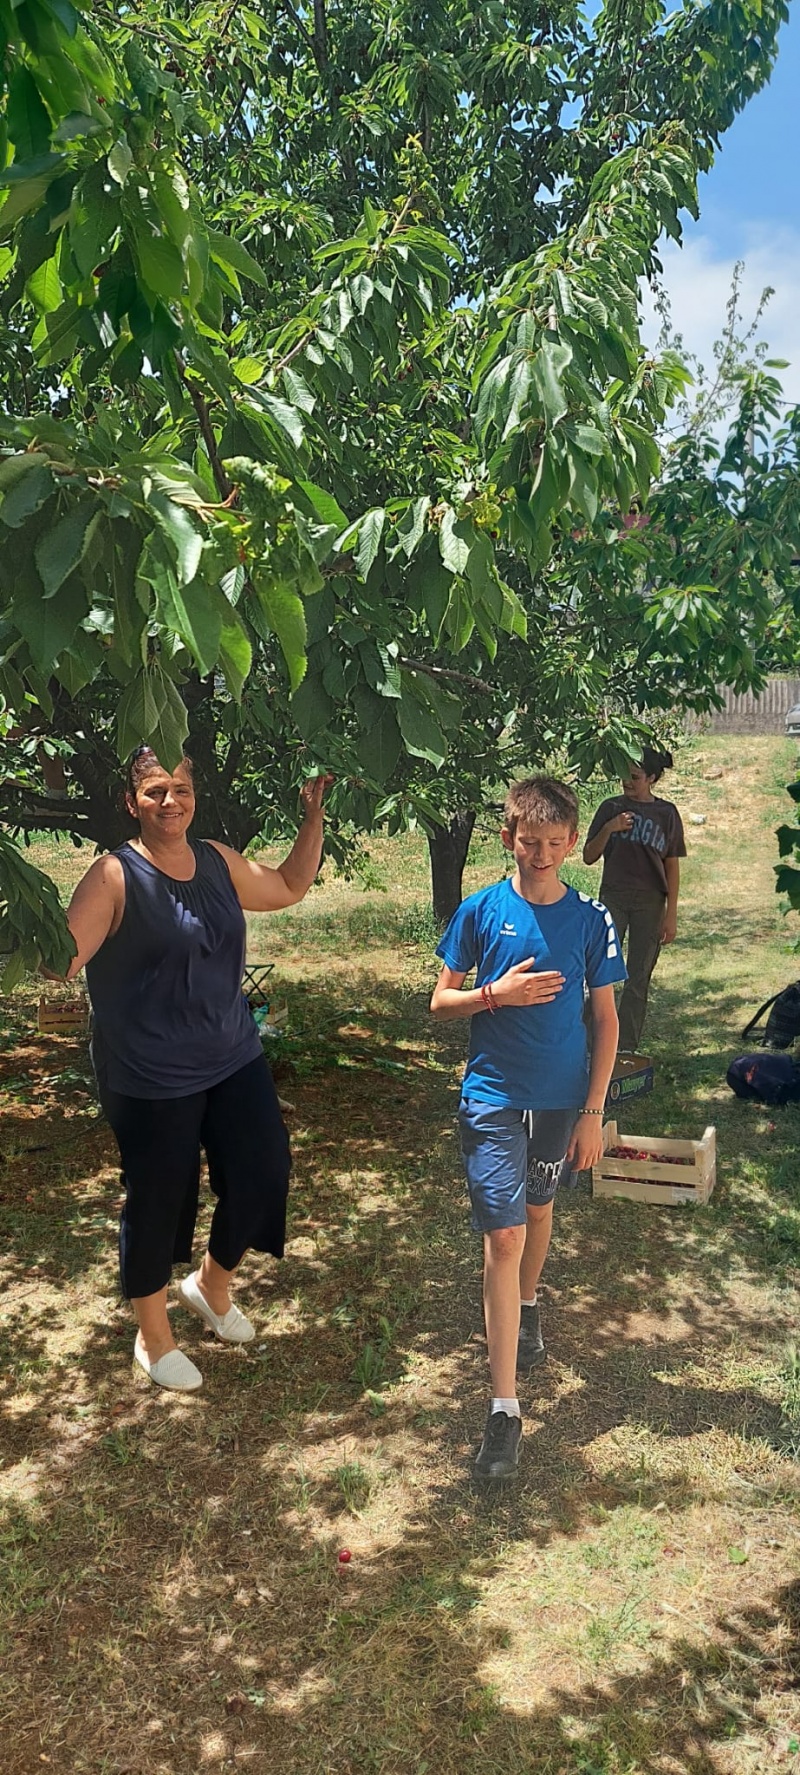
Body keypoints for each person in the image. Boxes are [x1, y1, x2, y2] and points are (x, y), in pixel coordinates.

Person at [57, 747, 331, 1393]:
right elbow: (60, 961)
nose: (169, 801)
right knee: (159, 1198)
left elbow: (288, 886)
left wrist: (313, 817)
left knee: (265, 1170)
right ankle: (153, 1337)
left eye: (180, 788)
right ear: (131, 801)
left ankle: (211, 1285)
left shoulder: (216, 859)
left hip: (232, 1053)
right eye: (155, 790)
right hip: (149, 1074)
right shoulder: (113, 875)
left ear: (194, 795)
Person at [430, 777, 625, 1480]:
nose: (540, 854)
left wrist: (593, 1113)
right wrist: (495, 994)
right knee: (504, 1235)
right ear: (508, 837)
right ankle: (504, 1409)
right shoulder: (481, 910)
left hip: (561, 1101)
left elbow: (606, 1020)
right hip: (492, 1097)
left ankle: (529, 1302)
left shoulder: (592, 919)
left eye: (553, 842)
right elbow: (440, 1000)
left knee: (539, 1211)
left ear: (571, 843)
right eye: (528, 841)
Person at [582, 748, 686, 1054]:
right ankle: (586, 1042)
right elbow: (588, 856)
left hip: (651, 902)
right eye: (624, 775)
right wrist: (610, 828)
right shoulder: (611, 807)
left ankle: (625, 1047)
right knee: (598, 970)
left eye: (635, 776)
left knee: (638, 976)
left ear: (651, 778)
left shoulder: (667, 813)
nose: (627, 781)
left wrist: (671, 914)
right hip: (613, 897)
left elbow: (671, 866)